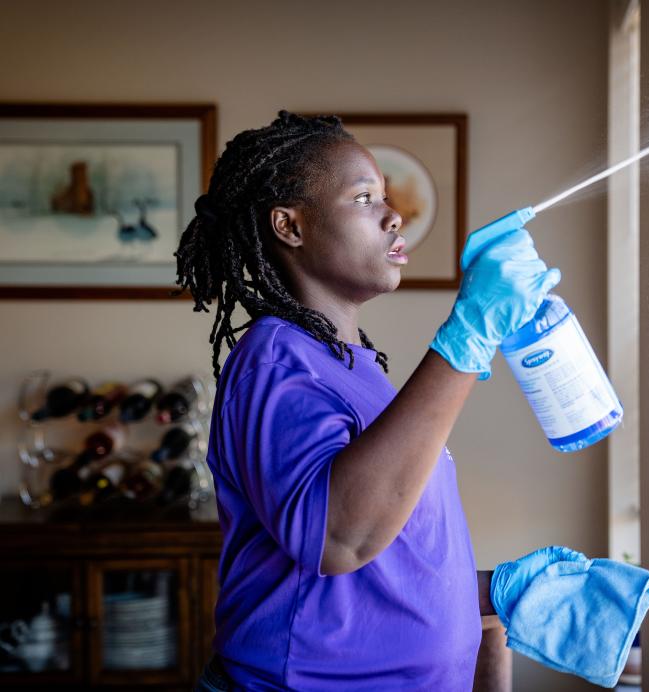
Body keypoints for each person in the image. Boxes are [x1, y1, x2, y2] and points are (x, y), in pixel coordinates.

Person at [175, 112, 560, 691]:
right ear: (290, 226)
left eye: (385, 197)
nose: (393, 215)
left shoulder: (351, 365)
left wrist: (497, 593)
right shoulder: (276, 358)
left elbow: (374, 562)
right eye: (364, 198)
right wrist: (468, 335)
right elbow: (340, 538)